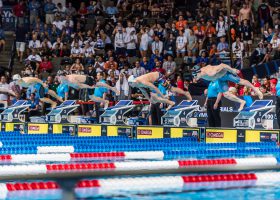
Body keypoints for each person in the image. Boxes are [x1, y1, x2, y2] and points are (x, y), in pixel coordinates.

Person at [192, 64, 263, 108]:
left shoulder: (210, 71)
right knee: (226, 94)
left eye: (195, 76)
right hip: (220, 79)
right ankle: (241, 101)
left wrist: (232, 70)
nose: (194, 78)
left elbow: (223, 65)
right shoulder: (201, 74)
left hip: (226, 74)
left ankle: (256, 89)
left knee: (241, 82)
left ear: (199, 72)